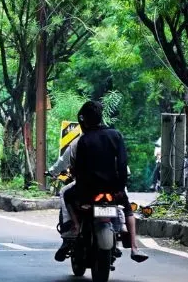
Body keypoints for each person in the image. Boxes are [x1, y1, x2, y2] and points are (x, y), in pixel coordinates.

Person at [58, 101, 147, 263]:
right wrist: (119, 187)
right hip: (113, 189)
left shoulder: (84, 140)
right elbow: (122, 163)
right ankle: (134, 246)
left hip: (89, 191)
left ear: (84, 120)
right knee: (127, 209)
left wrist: (83, 193)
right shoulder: (116, 135)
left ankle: (76, 226)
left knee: (67, 196)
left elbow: (81, 169)